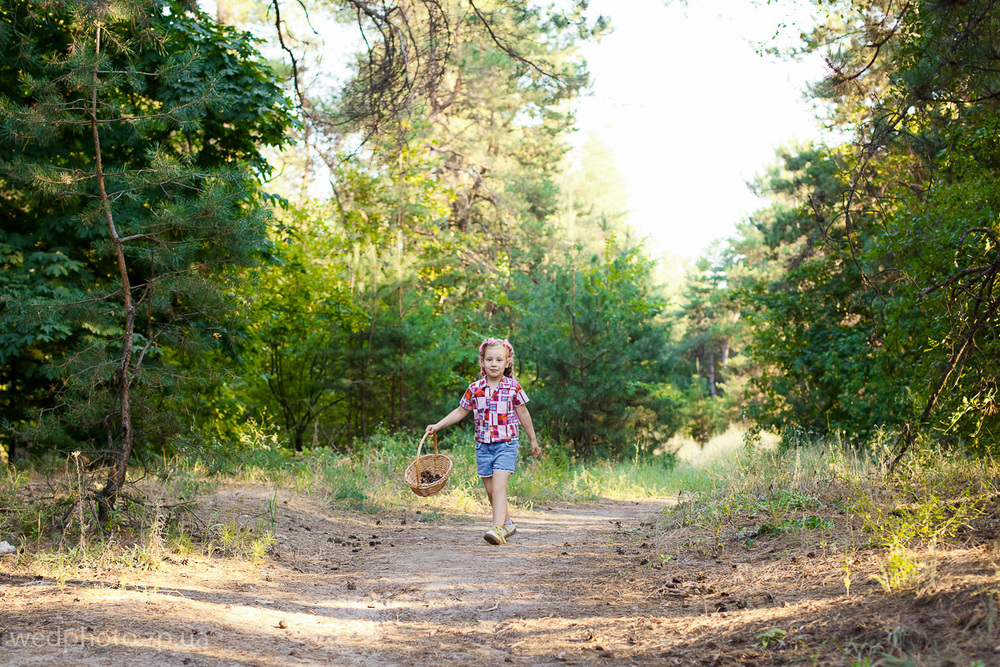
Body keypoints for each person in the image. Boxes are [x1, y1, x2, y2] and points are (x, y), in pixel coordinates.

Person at [426, 337, 541, 545]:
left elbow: (523, 413)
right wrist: (438, 425)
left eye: (499, 360)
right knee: (490, 491)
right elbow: (461, 410)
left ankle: (497, 529)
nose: (494, 364)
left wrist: (533, 440)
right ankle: (508, 524)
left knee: (498, 488)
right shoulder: (475, 388)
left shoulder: (512, 387)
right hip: (483, 447)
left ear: (507, 363)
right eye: (489, 359)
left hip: (506, 444)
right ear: (482, 362)